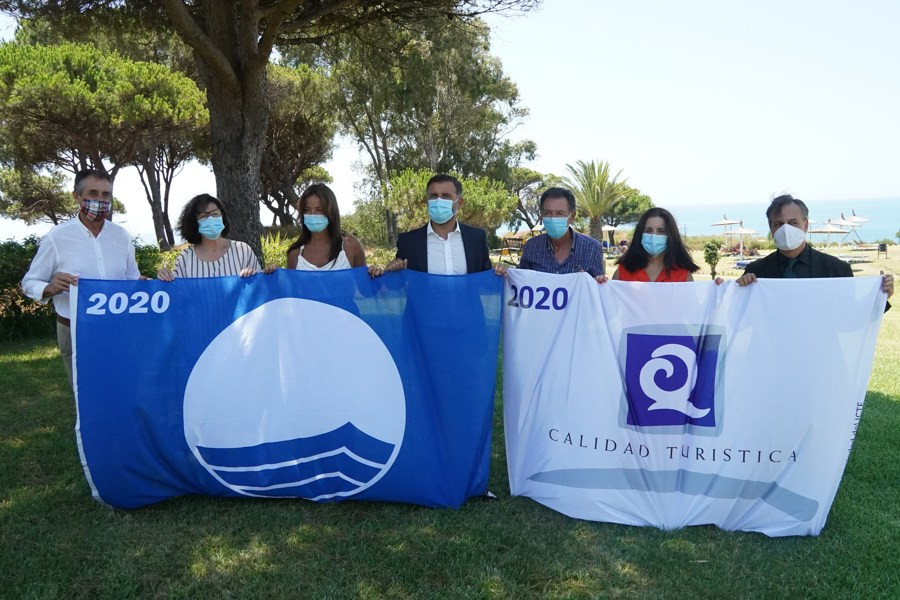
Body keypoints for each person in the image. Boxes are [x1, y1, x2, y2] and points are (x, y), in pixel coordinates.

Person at [21, 169, 141, 385]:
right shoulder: (57, 237)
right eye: (93, 193)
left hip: (118, 326)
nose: (100, 200)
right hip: (74, 328)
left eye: (106, 195)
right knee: (85, 393)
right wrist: (51, 287)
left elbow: (133, 280)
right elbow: (29, 283)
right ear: (76, 196)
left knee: (121, 387)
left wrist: (143, 286)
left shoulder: (121, 237)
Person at [736, 194, 894, 301]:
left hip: (823, 350)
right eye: (778, 224)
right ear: (771, 229)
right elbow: (740, 321)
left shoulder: (837, 270)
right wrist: (735, 291)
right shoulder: (755, 272)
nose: (786, 229)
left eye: (792, 222)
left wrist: (881, 296)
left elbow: (852, 318)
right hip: (771, 350)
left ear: (805, 225)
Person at [372, 174, 493, 276]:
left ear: (460, 202)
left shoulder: (476, 238)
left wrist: (500, 273)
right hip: (423, 305)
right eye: (434, 196)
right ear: (427, 201)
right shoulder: (408, 242)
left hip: (467, 305)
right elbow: (398, 286)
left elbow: (486, 281)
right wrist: (390, 271)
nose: (439, 201)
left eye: (446, 196)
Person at [157, 194, 261, 280]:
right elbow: (177, 294)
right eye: (203, 216)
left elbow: (261, 287)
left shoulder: (243, 250)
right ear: (194, 223)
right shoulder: (185, 258)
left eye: (215, 214)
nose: (211, 219)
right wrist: (164, 277)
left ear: (222, 216)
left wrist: (268, 273)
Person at [517, 187, 606, 281]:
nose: (552, 218)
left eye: (559, 213)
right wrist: (502, 274)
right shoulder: (531, 247)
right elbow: (520, 282)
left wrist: (598, 281)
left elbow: (597, 290)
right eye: (547, 212)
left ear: (572, 217)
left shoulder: (592, 248)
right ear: (542, 215)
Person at [287, 184, 366, 270]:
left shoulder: (351, 246)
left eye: (319, 209)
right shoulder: (294, 254)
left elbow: (364, 281)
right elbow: (289, 283)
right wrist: (272, 273)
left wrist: (375, 274)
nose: (312, 214)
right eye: (307, 209)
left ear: (331, 211)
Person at [612, 207, 699, 282]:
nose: (654, 236)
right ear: (640, 235)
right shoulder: (622, 272)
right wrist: (600, 285)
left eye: (661, 231)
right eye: (648, 230)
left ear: (671, 236)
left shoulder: (683, 275)